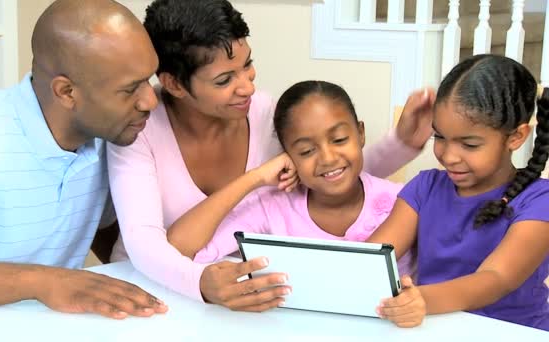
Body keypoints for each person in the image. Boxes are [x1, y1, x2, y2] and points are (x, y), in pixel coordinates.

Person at [108, 0, 433, 312]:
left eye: (247, 65)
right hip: (149, 285)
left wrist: (401, 143)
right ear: (175, 84)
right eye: (224, 80)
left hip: (242, 292)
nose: (246, 87)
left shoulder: (265, 113)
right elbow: (145, 243)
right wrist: (203, 282)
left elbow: (326, 176)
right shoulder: (137, 127)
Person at [0, 0, 167, 319]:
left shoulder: (113, 136)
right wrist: (44, 282)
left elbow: (113, 229)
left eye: (148, 79)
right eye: (130, 89)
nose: (150, 101)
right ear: (66, 92)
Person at [165, 81, 421, 283]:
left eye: (340, 139)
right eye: (307, 151)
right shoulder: (272, 206)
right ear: (287, 156)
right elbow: (177, 248)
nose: (328, 158)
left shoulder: (406, 200)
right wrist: (255, 177)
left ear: (360, 133)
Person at [368, 54, 549, 330]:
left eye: (470, 144)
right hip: (432, 329)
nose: (449, 156)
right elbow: (370, 258)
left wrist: (421, 300)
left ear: (516, 137)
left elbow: (496, 278)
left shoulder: (539, 201)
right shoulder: (424, 187)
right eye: (439, 137)